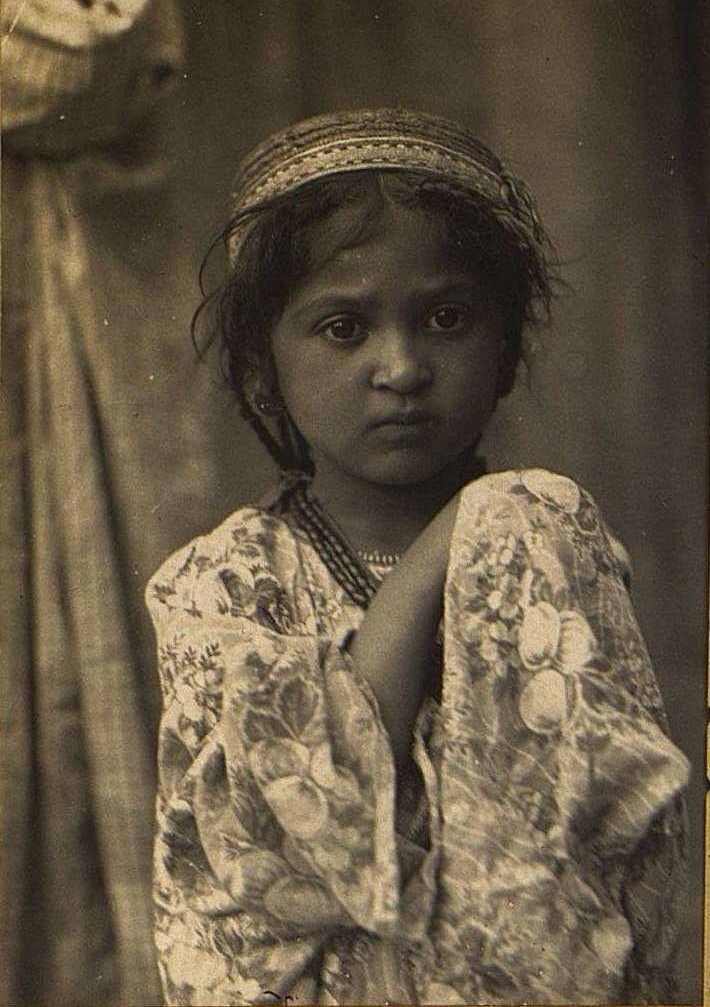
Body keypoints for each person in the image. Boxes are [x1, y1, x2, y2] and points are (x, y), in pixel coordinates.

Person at [146, 108, 689, 1006]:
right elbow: (277, 853)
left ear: (505, 351)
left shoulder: (542, 541)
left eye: (445, 318)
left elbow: (614, 846)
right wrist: (448, 539)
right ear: (262, 369)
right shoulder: (220, 583)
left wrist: (485, 520)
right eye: (343, 328)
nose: (401, 367)